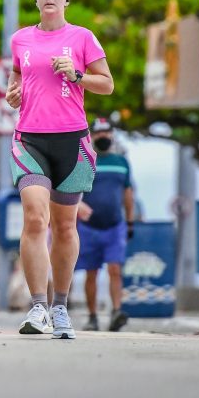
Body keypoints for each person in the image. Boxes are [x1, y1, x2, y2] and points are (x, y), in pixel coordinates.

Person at [6, 0, 114, 339]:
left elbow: (107, 85)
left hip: (72, 142)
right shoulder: (20, 39)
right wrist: (12, 93)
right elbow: (17, 79)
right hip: (30, 139)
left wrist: (78, 75)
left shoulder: (83, 38)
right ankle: (38, 306)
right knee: (35, 218)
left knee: (65, 226)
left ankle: (60, 308)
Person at [76, 117, 135, 332]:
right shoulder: (84, 160)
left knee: (115, 269)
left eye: (106, 132)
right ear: (92, 135)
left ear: (112, 134)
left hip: (115, 226)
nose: (102, 136)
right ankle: (92, 317)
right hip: (89, 227)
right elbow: (71, 189)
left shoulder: (122, 163)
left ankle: (116, 311)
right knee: (91, 273)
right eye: (98, 133)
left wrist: (130, 221)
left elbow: (128, 193)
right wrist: (78, 206)